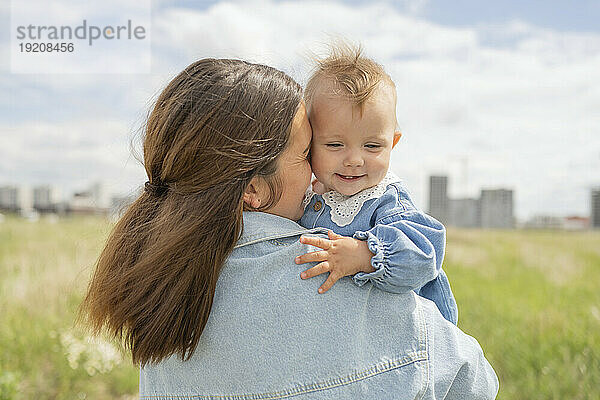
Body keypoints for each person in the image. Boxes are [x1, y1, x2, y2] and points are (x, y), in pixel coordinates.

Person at [79, 58, 499, 398]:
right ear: (254, 191)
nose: (318, 175)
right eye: (307, 155)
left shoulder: (168, 288)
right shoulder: (324, 272)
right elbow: (475, 380)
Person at [295, 44, 458, 325]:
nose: (355, 160)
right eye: (335, 144)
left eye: (372, 146)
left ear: (392, 143)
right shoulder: (306, 193)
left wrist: (365, 255)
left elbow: (424, 255)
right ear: (309, 142)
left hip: (401, 339)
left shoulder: (386, 199)